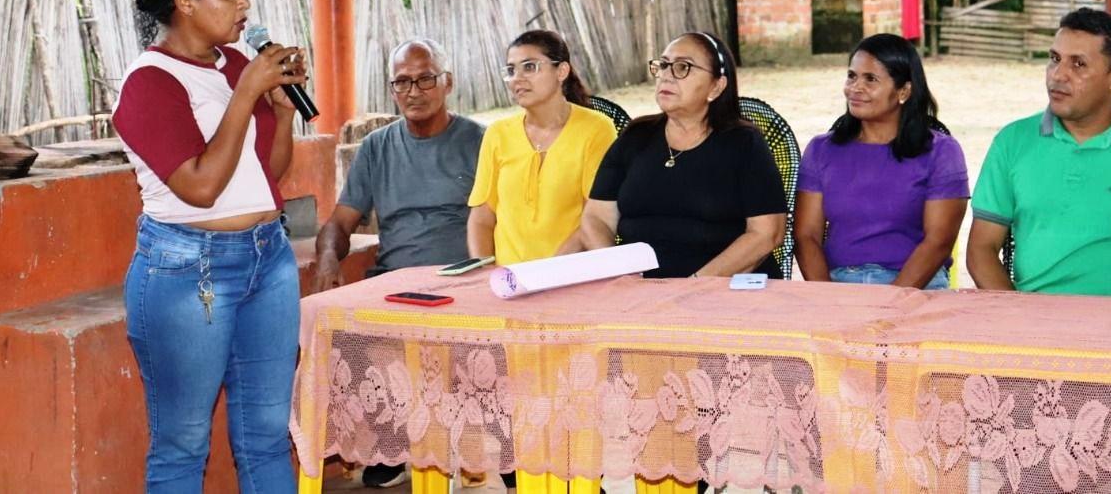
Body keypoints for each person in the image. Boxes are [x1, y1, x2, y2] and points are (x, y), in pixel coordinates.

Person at [114, 0, 304, 492]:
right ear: (185, 2)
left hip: (268, 259)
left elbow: (268, 174)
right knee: (183, 442)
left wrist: (284, 115)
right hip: (187, 271)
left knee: (268, 435)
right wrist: (245, 95)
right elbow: (200, 187)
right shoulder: (149, 82)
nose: (244, 4)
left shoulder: (239, 64)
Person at [311, 37, 484, 488]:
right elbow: (341, 221)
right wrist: (328, 257)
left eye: (425, 78)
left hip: (464, 281)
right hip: (396, 283)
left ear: (447, 83)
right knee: (341, 329)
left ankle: (485, 446)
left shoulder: (480, 141)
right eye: (402, 82)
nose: (414, 91)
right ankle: (389, 441)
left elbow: (502, 220)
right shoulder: (376, 147)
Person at [967, 8, 1111, 298]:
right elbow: (982, 249)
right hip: (1032, 318)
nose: (1058, 75)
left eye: (1078, 64)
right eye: (1054, 59)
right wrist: (1018, 317)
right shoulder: (1012, 142)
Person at [578, 31, 787, 278]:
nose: (666, 75)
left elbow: (766, 233)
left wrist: (694, 286)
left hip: (723, 290)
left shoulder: (744, 144)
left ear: (716, 86)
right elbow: (596, 219)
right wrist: (618, 274)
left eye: (682, 67)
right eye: (663, 65)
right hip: (638, 292)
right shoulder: (636, 136)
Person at [793, 34, 968, 289]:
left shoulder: (941, 152)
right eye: (852, 76)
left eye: (870, 79)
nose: (855, 88)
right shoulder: (821, 150)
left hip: (918, 287)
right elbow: (806, 235)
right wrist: (826, 298)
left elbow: (939, 241)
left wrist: (890, 302)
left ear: (904, 91)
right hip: (839, 285)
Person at [467, 30, 617, 265]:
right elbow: (482, 218)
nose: (517, 78)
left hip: (571, 277)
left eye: (530, 67)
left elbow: (595, 217)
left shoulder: (596, 129)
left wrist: (548, 274)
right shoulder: (497, 134)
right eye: (511, 70)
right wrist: (483, 274)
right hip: (507, 282)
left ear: (562, 71)